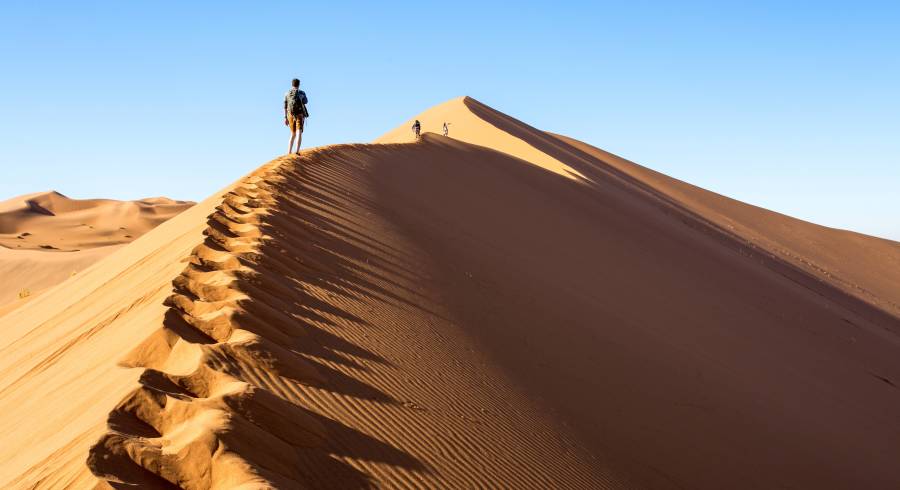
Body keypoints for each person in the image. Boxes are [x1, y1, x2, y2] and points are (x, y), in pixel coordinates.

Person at [284, 78, 309, 154]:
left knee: (292, 133)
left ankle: (289, 152)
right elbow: (306, 101)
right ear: (299, 84)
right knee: (299, 132)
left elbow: (285, 106)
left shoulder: (287, 93)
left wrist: (285, 118)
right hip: (300, 114)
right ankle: (297, 151)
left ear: (292, 84)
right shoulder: (301, 92)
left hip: (290, 115)